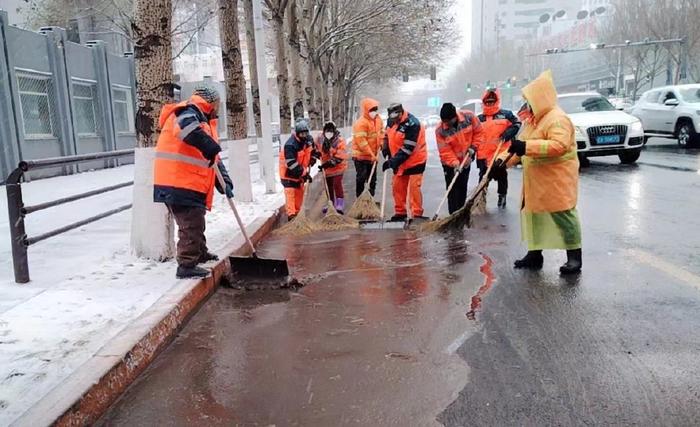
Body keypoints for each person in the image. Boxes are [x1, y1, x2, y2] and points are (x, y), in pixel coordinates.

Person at [491, 70, 582, 275]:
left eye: (530, 100)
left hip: (556, 180)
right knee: (533, 216)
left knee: (563, 216)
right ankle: (534, 254)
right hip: (536, 181)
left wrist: (525, 148)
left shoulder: (557, 119)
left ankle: (575, 257)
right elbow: (518, 147)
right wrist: (499, 163)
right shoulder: (534, 120)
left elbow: (558, 145)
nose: (527, 104)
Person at [153, 86, 234, 279]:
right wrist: (209, 146)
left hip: (188, 181)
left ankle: (199, 253)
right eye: (218, 103)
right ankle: (187, 265)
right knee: (190, 224)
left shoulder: (203, 120)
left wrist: (224, 183)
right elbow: (187, 131)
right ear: (211, 102)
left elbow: (212, 157)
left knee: (197, 219)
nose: (218, 107)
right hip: (177, 181)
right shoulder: (188, 112)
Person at [382, 103, 428, 221]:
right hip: (400, 161)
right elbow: (386, 134)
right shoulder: (391, 121)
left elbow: (408, 148)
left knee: (414, 189)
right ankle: (400, 213)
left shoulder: (413, 124)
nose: (393, 120)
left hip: (415, 160)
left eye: (395, 117)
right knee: (397, 187)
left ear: (401, 113)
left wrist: (392, 162)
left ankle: (417, 214)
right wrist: (385, 147)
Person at [436, 102, 484, 214]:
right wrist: (454, 163)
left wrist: (473, 147)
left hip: (466, 159)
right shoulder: (440, 130)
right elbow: (444, 151)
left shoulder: (469, 117)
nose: (446, 124)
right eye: (444, 121)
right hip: (449, 164)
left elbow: (479, 132)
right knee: (452, 189)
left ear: (454, 117)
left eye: (448, 121)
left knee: (462, 186)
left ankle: (460, 213)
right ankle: (452, 214)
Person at [477, 88, 520, 209]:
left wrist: (507, 135)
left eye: (492, 101)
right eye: (488, 102)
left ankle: (502, 195)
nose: (490, 104)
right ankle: (480, 199)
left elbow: (517, 124)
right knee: (483, 178)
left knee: (501, 176)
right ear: (484, 102)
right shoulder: (479, 119)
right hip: (483, 155)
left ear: (496, 101)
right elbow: (473, 134)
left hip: (500, 153)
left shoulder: (506, 115)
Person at [280, 119, 316, 221]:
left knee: (299, 192)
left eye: (305, 133)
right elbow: (292, 164)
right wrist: (304, 174)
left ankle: (298, 214)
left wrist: (314, 156)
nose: (304, 135)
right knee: (291, 192)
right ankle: (291, 216)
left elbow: (312, 149)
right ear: (297, 133)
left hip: (299, 172)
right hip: (288, 174)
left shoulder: (308, 140)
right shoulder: (290, 145)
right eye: (302, 134)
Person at [352, 98, 384, 197]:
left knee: (372, 179)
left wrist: (382, 143)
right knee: (361, 178)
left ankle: (370, 199)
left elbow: (382, 133)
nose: (374, 112)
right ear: (366, 110)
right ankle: (360, 198)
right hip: (360, 156)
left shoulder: (378, 120)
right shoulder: (361, 123)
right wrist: (371, 155)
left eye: (375, 109)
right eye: (371, 110)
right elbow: (362, 142)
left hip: (373, 155)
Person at [315, 121, 348, 214]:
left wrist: (329, 163)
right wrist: (315, 154)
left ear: (334, 131)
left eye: (330, 131)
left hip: (338, 167)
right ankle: (330, 203)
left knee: (337, 183)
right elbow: (314, 147)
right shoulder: (320, 139)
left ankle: (340, 204)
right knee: (328, 186)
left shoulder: (339, 140)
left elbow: (340, 156)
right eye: (327, 131)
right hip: (326, 168)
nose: (328, 133)